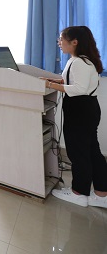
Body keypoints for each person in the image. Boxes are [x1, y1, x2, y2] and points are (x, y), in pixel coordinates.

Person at [45, 26, 107, 208]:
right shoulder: (82, 60)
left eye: (61, 39)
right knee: (92, 151)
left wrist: (50, 85)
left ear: (74, 42)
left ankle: (79, 193)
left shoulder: (79, 62)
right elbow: (74, 82)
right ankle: (101, 194)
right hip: (87, 109)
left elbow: (79, 88)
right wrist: (56, 81)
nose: (59, 42)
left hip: (80, 110)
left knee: (78, 152)